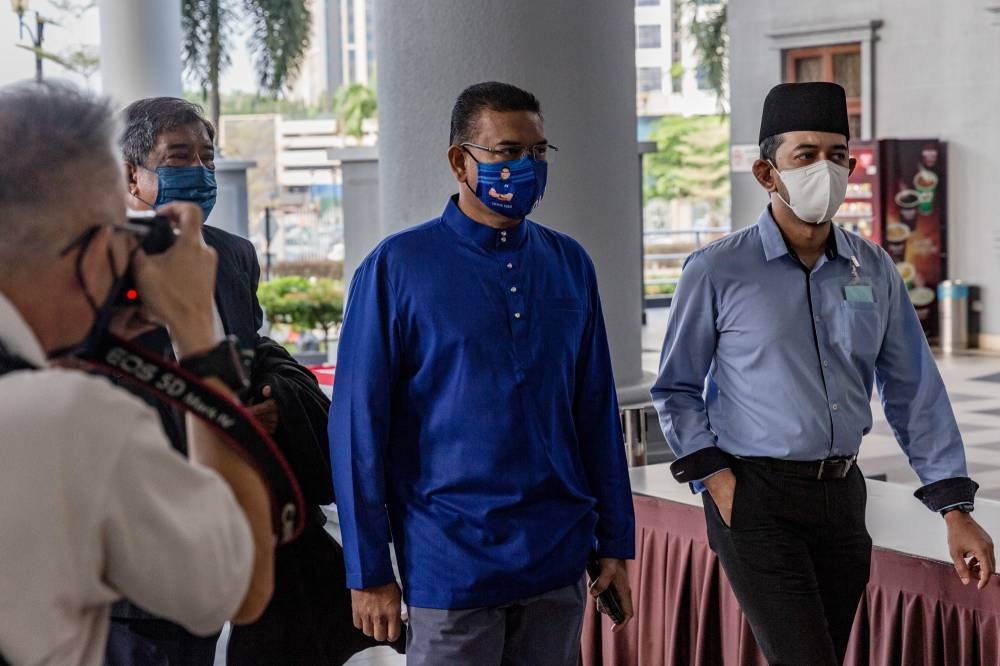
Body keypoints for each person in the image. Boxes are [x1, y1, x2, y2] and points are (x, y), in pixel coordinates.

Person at [651, 81, 995, 665]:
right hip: (755, 497)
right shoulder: (717, 270)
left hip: (843, 497)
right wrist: (719, 483)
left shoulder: (873, 267)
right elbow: (677, 389)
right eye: (805, 156)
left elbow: (914, 389)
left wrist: (953, 507)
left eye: (837, 155)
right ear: (767, 173)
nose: (825, 169)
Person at [329, 81, 636, 664]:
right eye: (507, 151)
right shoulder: (396, 269)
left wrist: (614, 543)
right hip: (449, 566)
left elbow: (595, 412)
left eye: (538, 152)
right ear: (459, 161)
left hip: (556, 563)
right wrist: (368, 571)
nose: (527, 166)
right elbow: (356, 431)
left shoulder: (570, 263)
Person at [0, 81, 274, 665]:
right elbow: (242, 581)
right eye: (119, 232)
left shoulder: (48, 378)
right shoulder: (68, 414)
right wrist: (197, 333)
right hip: (138, 588)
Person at [113, 96, 389, 665]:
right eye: (179, 157)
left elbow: (250, 352)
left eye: (208, 158)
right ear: (130, 173)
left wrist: (269, 404)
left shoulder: (232, 257)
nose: (200, 172)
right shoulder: (89, 267)